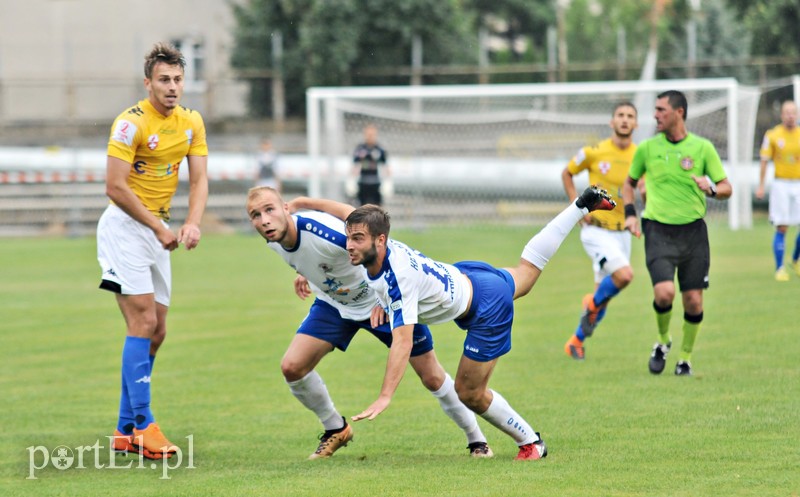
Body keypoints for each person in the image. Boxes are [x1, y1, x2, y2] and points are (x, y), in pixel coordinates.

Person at [292, 186, 616, 460]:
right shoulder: (371, 252)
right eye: (348, 237)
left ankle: (531, 442)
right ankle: (580, 206)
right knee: (527, 272)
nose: (349, 244)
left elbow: (402, 340)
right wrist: (304, 206)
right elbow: (349, 213)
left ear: (379, 240)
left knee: (469, 392)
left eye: (357, 239)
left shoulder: (397, 277)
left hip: (484, 309)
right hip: (468, 276)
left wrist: (385, 396)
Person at [246, 186, 493, 459]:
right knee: (292, 367)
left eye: (270, 209)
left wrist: (383, 297)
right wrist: (306, 272)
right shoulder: (274, 239)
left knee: (432, 376)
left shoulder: (321, 230)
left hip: (381, 303)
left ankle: (477, 440)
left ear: (285, 208)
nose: (264, 220)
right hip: (335, 304)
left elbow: (362, 226)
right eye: (255, 215)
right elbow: (311, 257)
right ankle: (335, 429)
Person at [96, 42, 209, 459]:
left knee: (158, 331)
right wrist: (158, 226)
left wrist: (192, 222)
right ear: (148, 83)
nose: (173, 87)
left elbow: (199, 181)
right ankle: (144, 424)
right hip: (126, 229)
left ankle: (125, 429)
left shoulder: (192, 122)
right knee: (143, 320)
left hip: (157, 230)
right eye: (164, 79)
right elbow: (114, 186)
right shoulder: (130, 124)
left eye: (178, 79)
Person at [621, 90, 732, 377]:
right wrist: (631, 215)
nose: (655, 115)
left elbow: (726, 188)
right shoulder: (646, 148)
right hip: (657, 230)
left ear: (678, 113)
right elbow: (628, 183)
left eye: (661, 110)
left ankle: (685, 358)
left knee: (693, 300)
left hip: (694, 233)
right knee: (665, 292)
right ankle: (662, 342)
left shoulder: (702, 148)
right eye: (655, 109)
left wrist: (710, 188)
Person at [561, 102, 639, 360]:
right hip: (597, 231)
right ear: (611, 122)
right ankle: (590, 304)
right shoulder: (593, 152)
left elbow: (645, 186)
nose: (625, 120)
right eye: (620, 115)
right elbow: (567, 173)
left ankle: (576, 342)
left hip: (623, 234)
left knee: (605, 295)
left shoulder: (640, 155)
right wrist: (577, 210)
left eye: (630, 116)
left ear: (636, 124)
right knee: (625, 276)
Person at [755, 100, 800, 281]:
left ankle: (795, 259)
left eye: (793, 112)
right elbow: (764, 161)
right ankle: (780, 268)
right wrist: (760, 185)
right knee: (782, 226)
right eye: (787, 112)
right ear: (782, 115)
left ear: (796, 115)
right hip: (781, 184)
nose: (790, 115)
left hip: (799, 183)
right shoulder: (772, 135)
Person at [351, 124, 389, 206]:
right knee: (362, 207)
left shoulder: (379, 149)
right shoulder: (360, 148)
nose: (370, 136)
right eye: (368, 134)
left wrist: (388, 182)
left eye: (372, 134)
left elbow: (385, 165)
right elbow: (355, 165)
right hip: (362, 181)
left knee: (377, 207)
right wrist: (351, 180)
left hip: (376, 182)